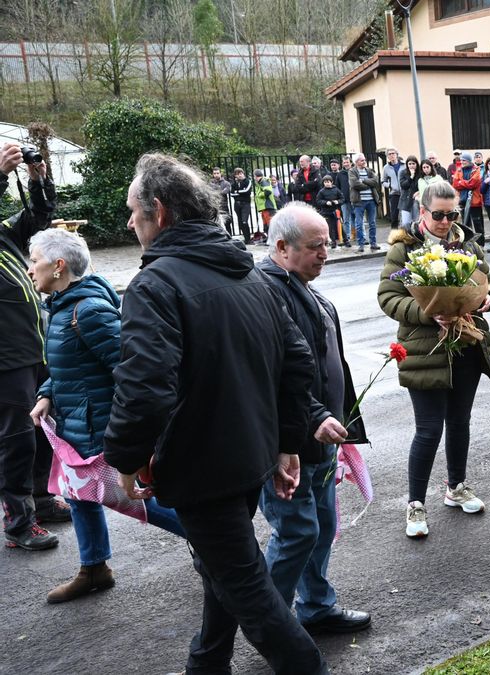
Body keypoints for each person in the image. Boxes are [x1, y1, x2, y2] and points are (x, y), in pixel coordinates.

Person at [104, 153, 326, 673]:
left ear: (158, 212)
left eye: (133, 212)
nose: (128, 223)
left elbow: (144, 388)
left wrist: (125, 456)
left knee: (247, 586)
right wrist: (283, 442)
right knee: (222, 568)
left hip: (204, 467)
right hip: (245, 459)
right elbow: (297, 365)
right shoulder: (248, 275)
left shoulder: (155, 285)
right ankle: (206, 664)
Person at [27, 228, 186, 603]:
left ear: (58, 266)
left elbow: (130, 371)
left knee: (131, 497)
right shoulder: (62, 305)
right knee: (79, 496)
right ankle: (94, 568)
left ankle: (214, 542)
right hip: (75, 425)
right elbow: (72, 367)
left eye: (34, 260)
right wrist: (47, 393)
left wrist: (128, 433)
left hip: (99, 429)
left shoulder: (89, 311)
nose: (30, 268)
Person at [255, 202, 371, 635]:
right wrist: (315, 415)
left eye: (327, 244)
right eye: (316, 246)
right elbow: (276, 371)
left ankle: (317, 607)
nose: (326, 253)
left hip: (319, 440)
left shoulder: (300, 283)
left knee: (321, 527)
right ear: (282, 246)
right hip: (290, 442)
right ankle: (269, 622)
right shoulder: (266, 290)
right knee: (296, 533)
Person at [377, 181, 490, 538]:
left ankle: (456, 486)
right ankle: (415, 504)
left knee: (460, 422)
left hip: (466, 346)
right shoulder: (404, 248)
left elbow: (487, 283)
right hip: (424, 351)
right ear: (423, 212)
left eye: (452, 214)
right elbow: (388, 296)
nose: (446, 221)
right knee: (429, 429)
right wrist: (429, 312)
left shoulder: (468, 242)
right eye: (439, 215)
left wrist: (487, 299)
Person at [0, 144, 61, 552]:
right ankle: (19, 523)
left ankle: (40, 499)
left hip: (33, 351)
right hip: (6, 361)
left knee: (41, 431)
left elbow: (38, 219)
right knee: (17, 439)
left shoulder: (5, 236)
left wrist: (37, 178)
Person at [348, 153, 381, 253]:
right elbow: (354, 184)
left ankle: (373, 243)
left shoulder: (369, 170)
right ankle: (361, 244)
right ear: (357, 162)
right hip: (359, 201)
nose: (364, 162)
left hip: (371, 200)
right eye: (362, 160)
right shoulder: (352, 171)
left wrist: (364, 180)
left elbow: (375, 181)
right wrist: (368, 185)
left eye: (364, 160)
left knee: (372, 223)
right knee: (359, 223)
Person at [314, 175, 344, 249]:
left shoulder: (336, 190)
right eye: (325, 182)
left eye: (328, 182)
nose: (327, 183)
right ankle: (333, 242)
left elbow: (342, 198)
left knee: (340, 227)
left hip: (336, 211)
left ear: (332, 182)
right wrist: (326, 202)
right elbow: (318, 200)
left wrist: (338, 201)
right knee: (331, 228)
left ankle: (345, 240)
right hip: (326, 212)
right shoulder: (321, 191)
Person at [229, 168, 255, 244]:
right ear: (235, 175)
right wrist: (239, 193)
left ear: (243, 173)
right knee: (240, 222)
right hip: (237, 204)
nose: (239, 175)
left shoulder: (247, 181)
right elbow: (231, 194)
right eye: (237, 174)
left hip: (245, 204)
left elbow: (246, 191)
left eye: (241, 173)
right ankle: (246, 239)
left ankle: (248, 239)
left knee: (244, 221)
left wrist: (237, 192)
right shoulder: (234, 183)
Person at [253, 169, 277, 233]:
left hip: (268, 207)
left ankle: (272, 240)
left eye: (254, 176)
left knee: (270, 226)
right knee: (266, 226)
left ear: (255, 176)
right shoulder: (260, 183)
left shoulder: (264, 181)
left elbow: (268, 191)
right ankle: (269, 239)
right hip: (265, 207)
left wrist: (259, 195)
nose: (254, 178)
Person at [210, 167, 232, 233]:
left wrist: (215, 192)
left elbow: (225, 192)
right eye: (214, 173)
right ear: (213, 174)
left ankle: (229, 238)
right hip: (214, 207)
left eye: (217, 173)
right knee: (216, 224)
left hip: (224, 206)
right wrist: (220, 191)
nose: (216, 175)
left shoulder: (226, 183)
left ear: (220, 173)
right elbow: (209, 193)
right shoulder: (210, 183)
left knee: (227, 223)